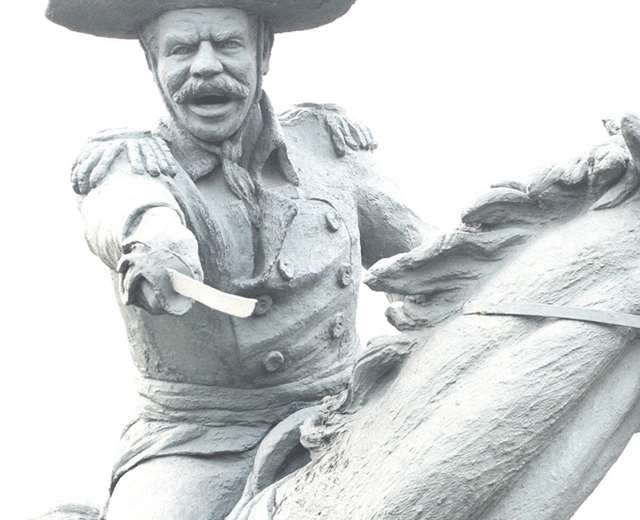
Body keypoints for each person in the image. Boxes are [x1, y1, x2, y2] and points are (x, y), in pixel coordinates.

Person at [44, 2, 429, 518]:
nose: (205, 66)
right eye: (182, 49)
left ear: (263, 52)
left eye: (228, 44)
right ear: (152, 61)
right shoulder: (128, 165)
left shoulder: (329, 151)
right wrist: (156, 239)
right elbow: (122, 210)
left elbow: (427, 259)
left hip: (351, 412)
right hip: (198, 444)